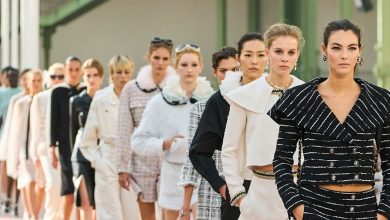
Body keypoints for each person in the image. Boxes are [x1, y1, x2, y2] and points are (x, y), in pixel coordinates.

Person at [269, 19, 390, 220]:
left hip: (364, 210)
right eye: (336, 47)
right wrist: (299, 210)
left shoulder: (379, 100)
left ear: (360, 51)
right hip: (314, 208)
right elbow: (281, 161)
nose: (344, 55)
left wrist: (384, 213)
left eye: (351, 48)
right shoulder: (299, 99)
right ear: (324, 49)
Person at [221, 23, 305, 220]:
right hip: (258, 195)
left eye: (291, 52)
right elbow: (229, 149)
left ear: (297, 55)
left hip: (299, 193)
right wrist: (239, 195)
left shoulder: (308, 94)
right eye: (278, 51)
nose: (285, 58)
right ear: (267, 52)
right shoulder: (244, 96)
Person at [188, 32, 266, 220]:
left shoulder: (280, 94)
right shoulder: (221, 99)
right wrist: (222, 186)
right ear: (239, 59)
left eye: (261, 55)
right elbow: (198, 151)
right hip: (238, 189)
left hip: (275, 189)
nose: (254, 61)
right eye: (248, 55)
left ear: (268, 57)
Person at [132, 44, 214, 220]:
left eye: (193, 64)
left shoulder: (212, 101)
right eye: (184, 65)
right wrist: (165, 143)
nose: (189, 70)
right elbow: (138, 141)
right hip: (173, 176)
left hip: (204, 176)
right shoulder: (159, 103)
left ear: (201, 67)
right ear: (176, 67)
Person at [116, 37, 176, 220]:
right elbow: (124, 130)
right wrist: (122, 168)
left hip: (170, 159)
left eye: (165, 59)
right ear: (149, 57)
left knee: (169, 213)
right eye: (156, 57)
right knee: (147, 216)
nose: (160, 63)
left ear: (171, 60)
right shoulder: (131, 89)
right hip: (141, 161)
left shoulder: (177, 89)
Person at [178, 46, 240, 220]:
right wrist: (185, 207)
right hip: (212, 186)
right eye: (223, 70)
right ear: (214, 72)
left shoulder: (249, 103)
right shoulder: (199, 109)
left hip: (243, 185)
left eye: (234, 70)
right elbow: (192, 157)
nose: (229, 75)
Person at [79, 55, 140, 220]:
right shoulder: (101, 98)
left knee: (133, 212)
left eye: (126, 72)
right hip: (108, 158)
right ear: (111, 74)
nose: (122, 76)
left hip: (132, 159)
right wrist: (99, 162)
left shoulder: (137, 97)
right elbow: (87, 141)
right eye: (118, 72)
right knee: (108, 212)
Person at [50, 56, 85, 220]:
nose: (74, 73)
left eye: (77, 69)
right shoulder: (57, 92)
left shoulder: (86, 91)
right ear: (65, 70)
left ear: (81, 71)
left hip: (84, 147)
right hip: (64, 148)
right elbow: (53, 121)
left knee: (83, 191)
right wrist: (52, 149)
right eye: (70, 69)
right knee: (69, 190)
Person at [29, 63, 65, 220]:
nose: (57, 79)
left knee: (64, 186)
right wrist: (35, 155)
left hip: (64, 149)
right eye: (53, 76)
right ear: (48, 78)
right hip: (44, 149)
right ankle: (50, 216)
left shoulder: (68, 95)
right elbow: (35, 129)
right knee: (52, 184)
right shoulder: (40, 98)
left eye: (60, 76)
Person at [70, 58, 104, 220]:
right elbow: (72, 132)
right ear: (83, 77)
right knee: (85, 201)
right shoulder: (76, 101)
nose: (91, 79)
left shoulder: (107, 99)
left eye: (95, 75)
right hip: (80, 155)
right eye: (88, 75)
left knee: (99, 201)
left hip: (101, 154)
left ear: (101, 77)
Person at [9, 69, 43, 219]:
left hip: (40, 149)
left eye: (38, 80)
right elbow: (16, 130)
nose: (35, 84)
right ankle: (33, 215)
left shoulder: (45, 100)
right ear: (27, 83)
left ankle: (33, 213)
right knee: (28, 180)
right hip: (25, 149)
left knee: (40, 184)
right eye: (33, 80)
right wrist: (14, 154)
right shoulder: (21, 103)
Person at [0, 69, 29, 216]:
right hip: (5, 134)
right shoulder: (3, 94)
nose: (11, 78)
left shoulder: (26, 94)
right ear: (2, 77)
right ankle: (6, 199)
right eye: (8, 75)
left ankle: (16, 202)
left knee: (19, 170)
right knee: (6, 168)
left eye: (14, 75)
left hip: (23, 138)